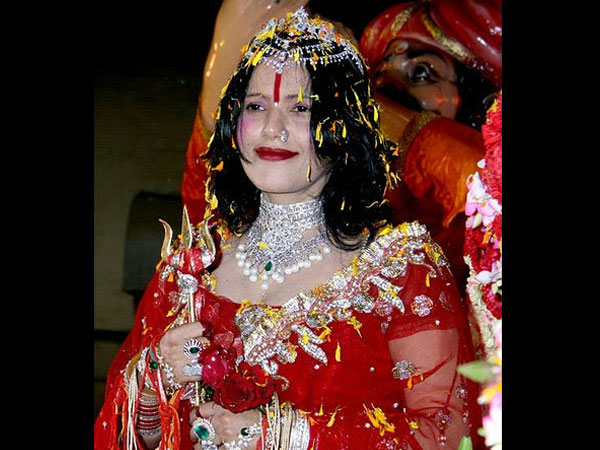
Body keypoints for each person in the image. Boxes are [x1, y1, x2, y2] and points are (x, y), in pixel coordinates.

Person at [95, 8, 483, 449]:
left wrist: (286, 434)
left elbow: (449, 432)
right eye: (256, 106)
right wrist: (154, 378)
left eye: (302, 108)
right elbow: (131, 437)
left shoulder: (402, 272)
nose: (272, 129)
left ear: (346, 127)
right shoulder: (191, 266)